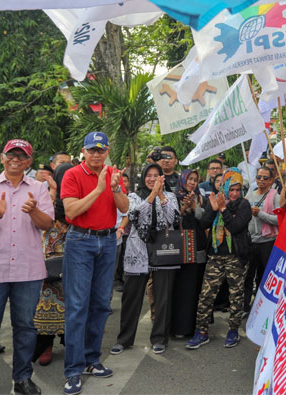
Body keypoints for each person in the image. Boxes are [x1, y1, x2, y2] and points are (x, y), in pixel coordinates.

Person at [0, 139, 54, 395]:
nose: (16, 160)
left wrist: (33, 211)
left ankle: (22, 379)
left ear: (28, 162)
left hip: (27, 270)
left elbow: (47, 225)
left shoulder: (39, 189)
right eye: (12, 155)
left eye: (22, 156)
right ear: (2, 158)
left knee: (25, 327)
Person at [60, 132, 128, 395]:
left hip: (108, 241)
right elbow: (71, 211)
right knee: (77, 307)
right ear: (83, 151)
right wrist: (99, 189)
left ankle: (91, 360)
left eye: (101, 150)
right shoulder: (72, 174)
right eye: (92, 150)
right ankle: (73, 371)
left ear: (107, 150)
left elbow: (123, 208)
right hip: (80, 241)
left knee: (101, 304)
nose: (97, 154)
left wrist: (113, 188)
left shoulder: (113, 174)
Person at [110, 163, 179, 356]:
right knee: (131, 296)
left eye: (156, 175)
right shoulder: (133, 196)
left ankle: (159, 338)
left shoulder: (171, 196)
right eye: (148, 175)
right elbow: (133, 215)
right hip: (137, 251)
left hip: (164, 251)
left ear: (162, 178)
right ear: (143, 178)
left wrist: (162, 195)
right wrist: (151, 196)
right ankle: (124, 339)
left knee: (162, 296)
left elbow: (174, 218)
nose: (152, 179)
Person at [187, 169, 252, 350]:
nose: (234, 193)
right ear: (224, 187)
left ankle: (233, 330)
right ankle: (201, 331)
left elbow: (236, 226)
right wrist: (213, 210)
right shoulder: (215, 200)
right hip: (215, 256)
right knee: (207, 294)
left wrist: (223, 209)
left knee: (235, 295)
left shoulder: (243, 205)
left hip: (235, 257)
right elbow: (204, 224)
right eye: (231, 189)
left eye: (238, 190)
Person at [33, 162, 74, 368]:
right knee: (46, 306)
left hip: (75, 261)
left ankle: (71, 343)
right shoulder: (46, 197)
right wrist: (54, 192)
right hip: (49, 261)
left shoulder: (79, 195)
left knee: (73, 306)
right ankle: (45, 346)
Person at [171, 169, 208, 338]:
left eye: (195, 179)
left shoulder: (201, 197)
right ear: (183, 180)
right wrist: (183, 207)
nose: (192, 182)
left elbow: (206, 219)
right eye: (190, 179)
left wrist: (194, 207)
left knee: (194, 286)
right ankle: (177, 328)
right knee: (180, 287)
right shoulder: (173, 196)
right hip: (179, 247)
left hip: (197, 246)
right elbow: (171, 219)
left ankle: (192, 327)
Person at [243, 166, 280, 312]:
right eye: (259, 177)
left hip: (268, 243)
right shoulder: (249, 195)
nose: (261, 181)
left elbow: (278, 220)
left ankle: (260, 308)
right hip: (251, 242)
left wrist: (260, 214)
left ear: (271, 180)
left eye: (265, 178)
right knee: (247, 276)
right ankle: (245, 307)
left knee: (264, 277)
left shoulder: (275, 196)